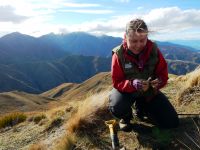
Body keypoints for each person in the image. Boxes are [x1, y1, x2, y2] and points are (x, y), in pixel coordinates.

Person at [109, 19, 179, 131]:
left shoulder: (154, 51)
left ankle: (141, 108)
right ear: (125, 37)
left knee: (171, 122)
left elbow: (163, 74)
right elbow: (117, 81)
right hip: (127, 92)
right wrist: (132, 84)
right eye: (133, 41)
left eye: (142, 40)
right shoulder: (119, 55)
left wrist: (158, 82)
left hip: (148, 92)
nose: (138, 45)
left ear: (147, 37)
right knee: (118, 107)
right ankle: (125, 117)